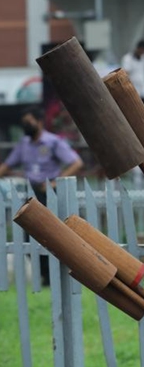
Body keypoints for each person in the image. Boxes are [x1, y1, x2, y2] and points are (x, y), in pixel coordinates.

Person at [0, 106, 83, 285]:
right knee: (28, 237)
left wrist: (54, 183)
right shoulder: (24, 144)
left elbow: (76, 163)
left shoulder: (52, 142)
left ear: (39, 121)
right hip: (32, 194)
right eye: (23, 123)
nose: (26, 126)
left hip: (49, 193)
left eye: (29, 122)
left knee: (52, 235)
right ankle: (45, 276)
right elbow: (7, 165)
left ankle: (56, 276)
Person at [121, 39, 144, 106]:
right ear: (138, 48)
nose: (143, 52)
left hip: (143, 89)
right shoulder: (127, 59)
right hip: (133, 89)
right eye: (142, 49)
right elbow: (126, 73)